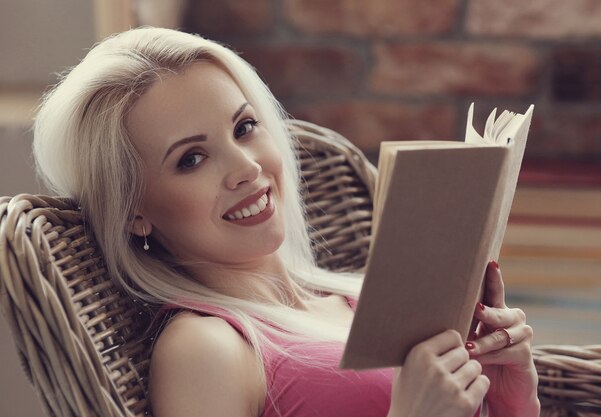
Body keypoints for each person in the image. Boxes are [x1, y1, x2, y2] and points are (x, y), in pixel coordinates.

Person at [33, 27, 540, 417]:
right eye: (191, 159)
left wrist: (509, 396)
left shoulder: (356, 299)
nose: (247, 167)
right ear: (134, 212)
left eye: (244, 127)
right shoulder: (206, 347)